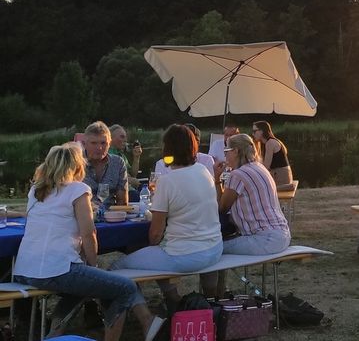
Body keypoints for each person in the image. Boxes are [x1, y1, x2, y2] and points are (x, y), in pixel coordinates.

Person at [13, 143, 165, 341]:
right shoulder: (78, 189)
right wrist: (93, 267)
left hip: (25, 270)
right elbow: (89, 233)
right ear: (77, 167)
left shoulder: (36, 191)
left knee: (84, 285)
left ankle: (54, 333)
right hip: (57, 269)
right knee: (124, 288)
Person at [112, 125, 223, 306]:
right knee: (153, 256)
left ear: (168, 148)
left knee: (117, 267)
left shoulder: (167, 181)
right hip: (214, 249)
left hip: (185, 256)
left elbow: (155, 234)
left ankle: (159, 308)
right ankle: (198, 300)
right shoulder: (204, 171)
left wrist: (151, 248)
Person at [214, 134, 291, 255]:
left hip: (264, 240)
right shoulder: (260, 167)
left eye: (226, 151)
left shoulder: (237, 175)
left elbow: (222, 208)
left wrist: (217, 179)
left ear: (236, 151)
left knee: (213, 249)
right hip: (282, 235)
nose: (224, 155)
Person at [82, 121, 128, 207]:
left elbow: (122, 202)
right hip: (82, 215)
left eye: (103, 143)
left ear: (109, 144)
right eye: (94, 143)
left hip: (111, 215)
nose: (99, 147)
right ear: (85, 144)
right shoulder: (75, 163)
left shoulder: (118, 163)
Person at [252, 121, 293, 187]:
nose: (253, 134)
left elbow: (266, 167)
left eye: (254, 131)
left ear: (262, 131)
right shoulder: (270, 142)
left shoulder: (270, 143)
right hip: (283, 178)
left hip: (282, 181)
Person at [108, 124, 143, 189]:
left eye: (125, 137)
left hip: (129, 190)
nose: (125, 140)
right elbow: (111, 176)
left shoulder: (121, 155)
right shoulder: (107, 154)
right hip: (118, 193)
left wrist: (136, 157)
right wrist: (129, 180)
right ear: (111, 138)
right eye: (122, 137)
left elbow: (133, 174)